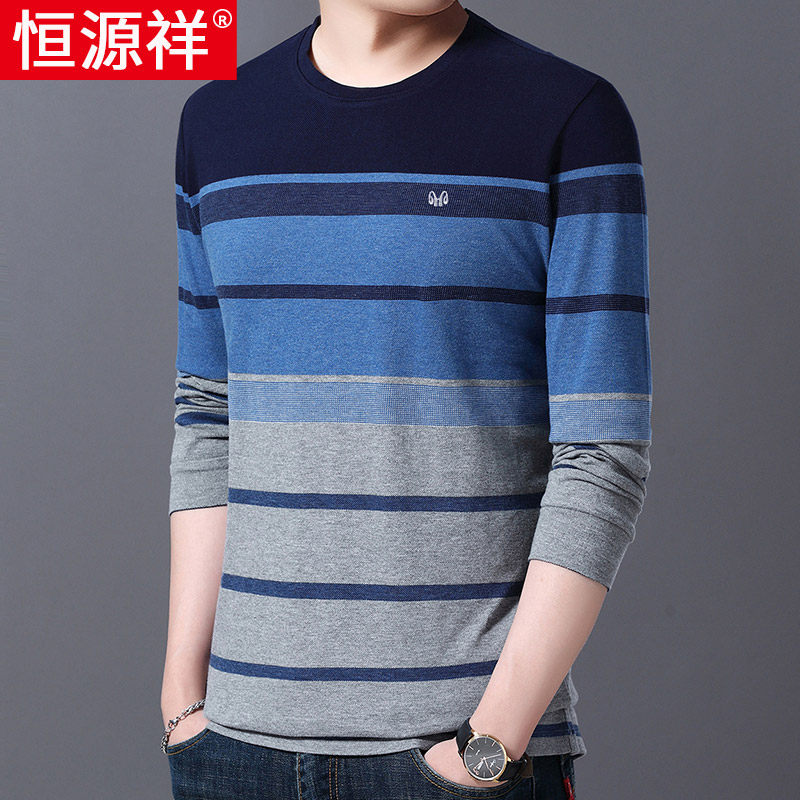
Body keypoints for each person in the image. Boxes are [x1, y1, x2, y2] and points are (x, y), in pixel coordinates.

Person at [160, 2, 652, 798]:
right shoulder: (218, 121)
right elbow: (208, 414)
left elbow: (602, 449)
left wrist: (490, 740)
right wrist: (183, 695)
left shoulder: (567, 116)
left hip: (460, 752)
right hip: (233, 748)